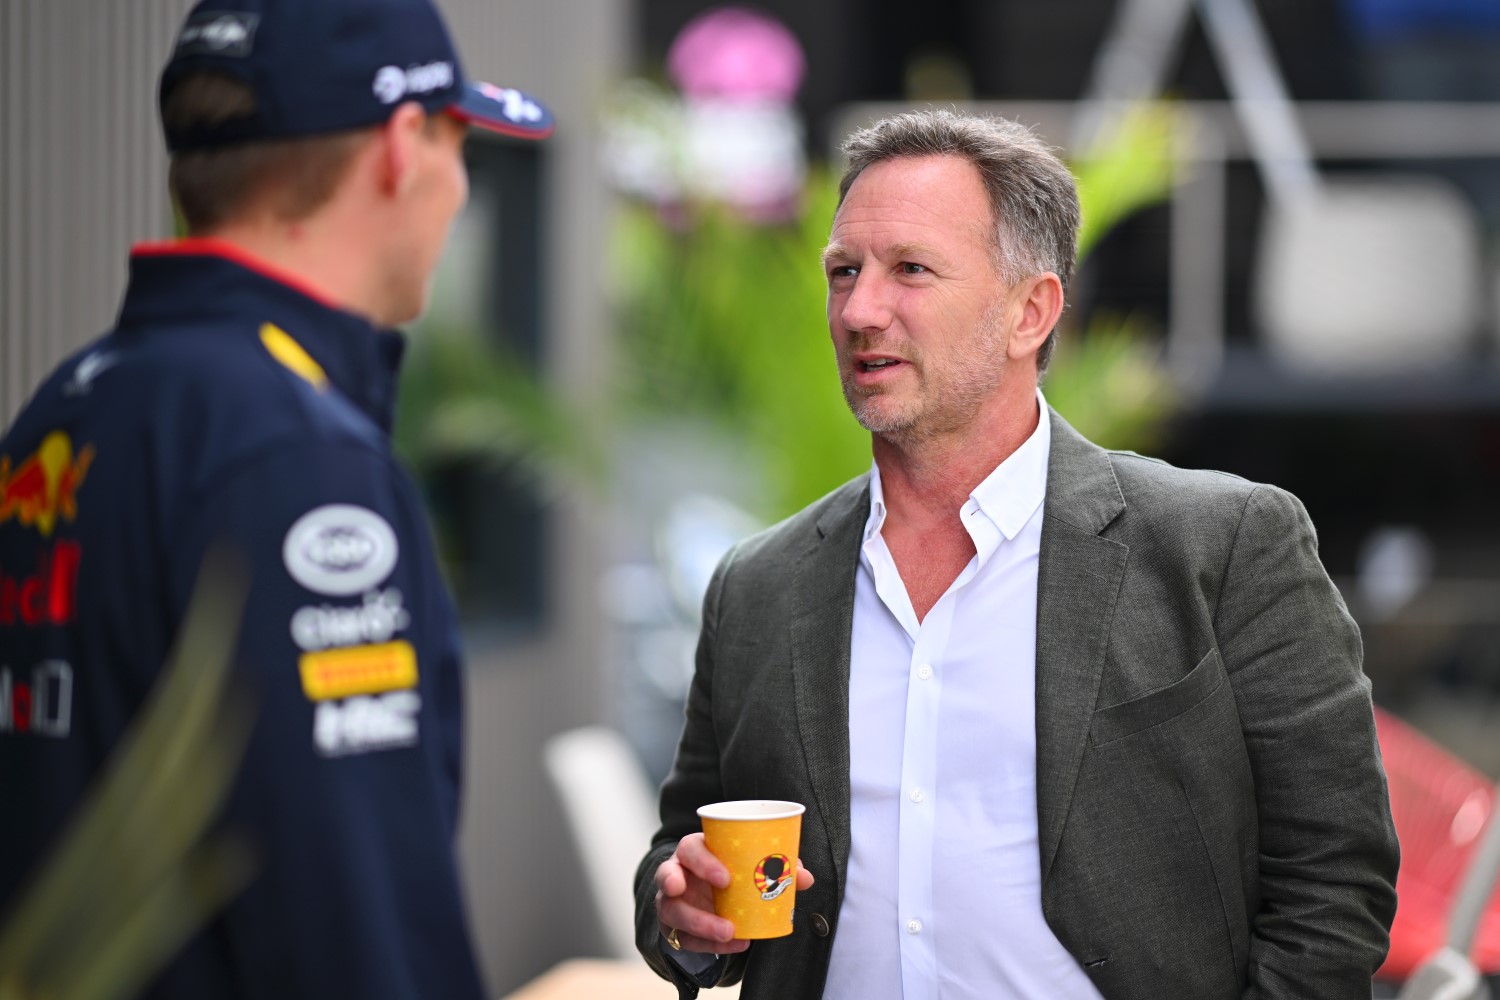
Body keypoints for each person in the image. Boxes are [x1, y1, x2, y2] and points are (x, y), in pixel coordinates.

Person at [633, 109, 1399, 1000]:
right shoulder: (757, 586)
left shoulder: (1221, 545)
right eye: (844, 271)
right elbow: (686, 851)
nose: (860, 310)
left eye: (910, 270)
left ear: (1029, 311)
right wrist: (684, 918)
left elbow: (1335, 877)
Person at [0, 0, 552, 996]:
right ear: (399, 146)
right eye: (458, 146)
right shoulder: (297, 461)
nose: (458, 190)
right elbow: (360, 930)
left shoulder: (57, 417)